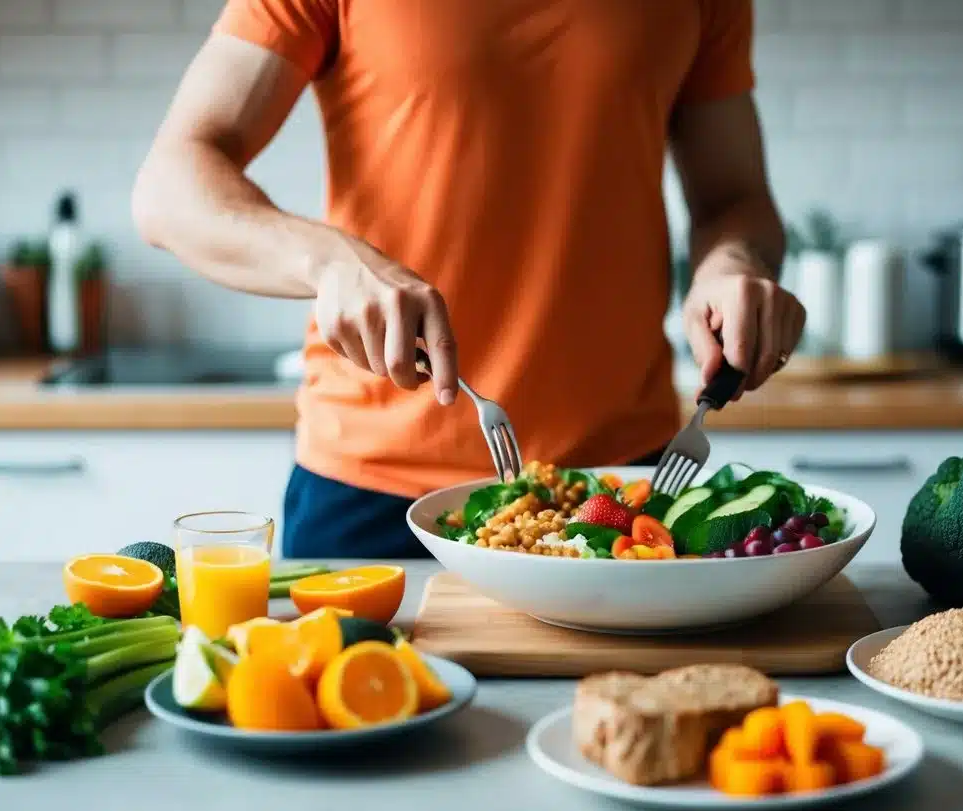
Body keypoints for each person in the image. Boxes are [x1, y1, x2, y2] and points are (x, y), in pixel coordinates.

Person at [132, 0, 806, 560]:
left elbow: (733, 199)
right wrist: (328, 260)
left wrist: (734, 265)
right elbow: (170, 186)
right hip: (369, 492)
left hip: (622, 487)